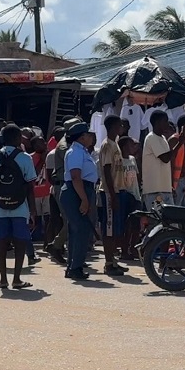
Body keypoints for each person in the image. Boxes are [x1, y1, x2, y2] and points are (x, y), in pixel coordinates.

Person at [0, 124, 38, 289]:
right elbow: (30, 187)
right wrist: (33, 211)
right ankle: (16, 279)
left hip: (0, 207)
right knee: (20, 242)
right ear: (17, 139)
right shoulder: (25, 158)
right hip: (20, 207)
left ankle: (2, 279)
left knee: (1, 242)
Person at [61, 122, 99, 280]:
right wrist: (84, 199)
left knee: (76, 230)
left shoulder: (82, 151)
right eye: (89, 135)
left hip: (81, 190)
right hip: (76, 191)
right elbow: (76, 176)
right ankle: (75, 267)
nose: (91, 137)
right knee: (81, 229)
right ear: (82, 137)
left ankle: (73, 265)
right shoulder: (76, 152)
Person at [44, 117, 82, 265]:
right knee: (71, 220)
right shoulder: (65, 146)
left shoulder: (72, 144)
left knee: (73, 220)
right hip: (64, 184)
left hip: (68, 184)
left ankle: (70, 253)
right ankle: (56, 245)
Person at [98, 115, 131, 276]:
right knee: (109, 229)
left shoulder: (115, 145)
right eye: (119, 125)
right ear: (112, 127)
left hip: (119, 190)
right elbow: (106, 170)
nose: (122, 128)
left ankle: (113, 260)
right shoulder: (107, 146)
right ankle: (108, 263)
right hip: (110, 192)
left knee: (115, 229)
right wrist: (113, 195)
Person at [142, 110, 185, 211]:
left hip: (164, 189)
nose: (167, 124)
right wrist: (179, 144)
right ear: (157, 122)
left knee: (170, 223)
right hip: (155, 191)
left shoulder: (162, 139)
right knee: (159, 221)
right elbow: (165, 158)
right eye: (165, 121)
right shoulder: (151, 138)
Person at [118, 136, 142, 261]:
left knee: (136, 225)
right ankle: (124, 250)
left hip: (135, 194)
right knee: (126, 225)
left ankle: (133, 248)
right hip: (126, 194)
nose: (133, 147)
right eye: (131, 145)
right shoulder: (120, 161)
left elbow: (137, 177)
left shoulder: (132, 159)